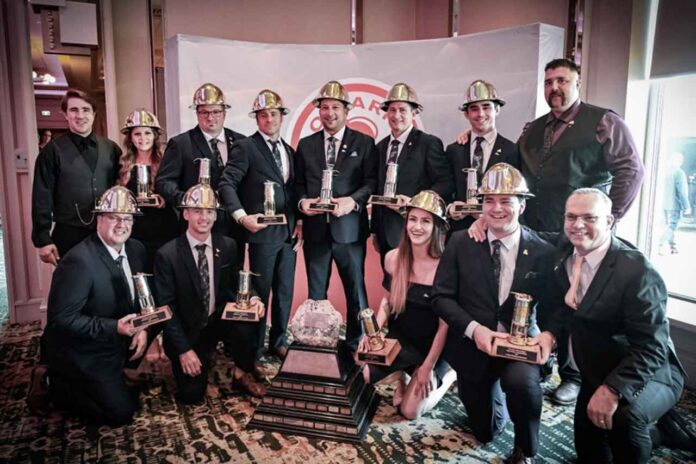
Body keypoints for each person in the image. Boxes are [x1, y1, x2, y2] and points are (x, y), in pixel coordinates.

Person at [518, 58, 645, 406]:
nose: (553, 88)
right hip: (538, 230)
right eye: (547, 83)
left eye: (561, 80)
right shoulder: (534, 128)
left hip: (581, 236)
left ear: (577, 83)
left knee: (577, 306)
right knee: (543, 299)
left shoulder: (603, 121)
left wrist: (608, 218)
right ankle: (544, 360)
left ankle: (575, 376)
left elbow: (631, 170)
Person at [534, 188, 694, 463]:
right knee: (590, 456)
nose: (578, 225)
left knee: (623, 418)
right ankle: (662, 434)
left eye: (589, 218)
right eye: (571, 217)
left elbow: (652, 348)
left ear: (609, 221)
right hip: (597, 370)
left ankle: (651, 429)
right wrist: (549, 333)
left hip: (650, 372)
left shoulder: (637, 270)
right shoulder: (565, 251)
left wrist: (613, 390)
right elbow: (566, 305)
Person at [432, 163, 554, 464]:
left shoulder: (542, 250)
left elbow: (556, 306)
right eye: (489, 201)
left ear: (522, 205)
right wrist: (475, 330)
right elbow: (441, 297)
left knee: (522, 386)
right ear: (481, 206)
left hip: (520, 345)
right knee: (485, 432)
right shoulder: (461, 242)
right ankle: (492, 392)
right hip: (474, 345)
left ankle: (525, 449)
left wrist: (548, 338)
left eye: (506, 201)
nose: (496, 208)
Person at [41, 186, 148, 425]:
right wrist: (114, 328)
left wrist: (143, 328)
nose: (122, 224)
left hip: (117, 338)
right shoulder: (78, 262)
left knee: (161, 318)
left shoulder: (136, 249)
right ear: (99, 219)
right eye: (113, 217)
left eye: (127, 218)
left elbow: (143, 298)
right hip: (84, 349)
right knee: (121, 414)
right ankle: (55, 383)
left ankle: (117, 374)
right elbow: (61, 321)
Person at [154, 180, 266, 404]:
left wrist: (253, 298)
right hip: (188, 328)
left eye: (209, 212)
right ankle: (196, 360)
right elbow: (166, 309)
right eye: (197, 211)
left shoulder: (228, 246)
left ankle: (240, 372)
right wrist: (184, 350)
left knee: (250, 320)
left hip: (218, 318)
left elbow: (237, 282)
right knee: (191, 395)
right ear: (185, 214)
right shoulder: (167, 255)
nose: (203, 217)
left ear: (216, 216)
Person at [295, 80, 378, 350]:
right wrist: (302, 202)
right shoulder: (306, 145)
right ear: (318, 111)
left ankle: (356, 345)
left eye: (335, 107)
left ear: (346, 110)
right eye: (324, 107)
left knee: (356, 293)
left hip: (350, 232)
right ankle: (317, 346)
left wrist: (353, 202)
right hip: (316, 232)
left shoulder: (364, 142)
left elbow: (371, 182)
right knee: (316, 295)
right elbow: (297, 184)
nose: (329, 112)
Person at [219, 90, 300, 363]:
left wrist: (299, 223)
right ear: (256, 118)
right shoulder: (246, 147)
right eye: (263, 115)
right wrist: (242, 217)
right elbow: (226, 183)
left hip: (288, 235)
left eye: (273, 114)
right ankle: (252, 351)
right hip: (261, 235)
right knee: (260, 295)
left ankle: (278, 341)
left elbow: (294, 191)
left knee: (284, 292)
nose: (269, 119)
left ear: (281, 117)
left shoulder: (288, 150)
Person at [361, 190, 455, 419]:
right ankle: (403, 376)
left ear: (437, 228)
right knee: (362, 372)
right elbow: (389, 301)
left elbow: (445, 326)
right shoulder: (393, 258)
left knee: (410, 411)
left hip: (434, 346)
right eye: (412, 219)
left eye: (426, 221)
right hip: (402, 339)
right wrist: (372, 335)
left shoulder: (446, 267)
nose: (417, 227)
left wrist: (427, 367)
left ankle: (450, 375)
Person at [155, 83, 246, 261]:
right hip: (197, 225)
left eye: (216, 112)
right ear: (197, 113)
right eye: (204, 112)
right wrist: (189, 202)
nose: (210, 117)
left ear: (224, 113)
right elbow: (164, 182)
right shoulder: (180, 144)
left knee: (232, 276)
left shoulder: (241, 141)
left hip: (234, 224)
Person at [32, 88, 121, 265]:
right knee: (72, 287)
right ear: (65, 114)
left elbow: (121, 188)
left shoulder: (111, 148)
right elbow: (42, 197)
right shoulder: (52, 151)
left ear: (94, 113)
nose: (80, 115)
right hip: (68, 234)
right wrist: (43, 239)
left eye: (86, 109)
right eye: (73, 110)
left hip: (107, 231)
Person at [370, 83, 452, 267]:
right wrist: (375, 230)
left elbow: (445, 182)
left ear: (414, 112)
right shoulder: (379, 147)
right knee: (392, 285)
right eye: (392, 110)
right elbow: (378, 188)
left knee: (417, 287)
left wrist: (417, 202)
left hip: (418, 231)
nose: (396, 116)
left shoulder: (428, 143)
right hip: (386, 233)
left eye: (402, 110)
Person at [447, 80, 519, 232]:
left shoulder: (511, 150)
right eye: (474, 109)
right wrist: (450, 208)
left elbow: (516, 197)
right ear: (467, 114)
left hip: (497, 232)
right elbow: (446, 186)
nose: (480, 114)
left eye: (486, 107)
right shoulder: (454, 149)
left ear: (497, 109)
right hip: (459, 232)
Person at [117, 109, 178, 270]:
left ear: (155, 136)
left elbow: (177, 190)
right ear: (130, 137)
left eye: (147, 133)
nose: (143, 138)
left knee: (164, 272)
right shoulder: (122, 164)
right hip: (135, 230)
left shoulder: (167, 161)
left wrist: (165, 199)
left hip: (164, 227)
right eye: (137, 134)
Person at [658, 152, 690, 255]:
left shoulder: (666, 172)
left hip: (665, 204)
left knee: (669, 226)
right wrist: (687, 206)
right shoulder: (679, 173)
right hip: (675, 205)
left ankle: (673, 247)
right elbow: (682, 192)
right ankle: (660, 243)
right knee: (672, 226)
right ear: (680, 162)